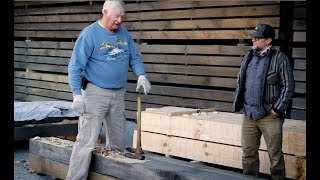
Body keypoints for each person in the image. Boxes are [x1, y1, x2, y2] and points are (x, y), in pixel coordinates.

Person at [66, 0, 151, 179]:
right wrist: (76, 95)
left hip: (118, 94)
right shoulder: (90, 34)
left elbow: (134, 57)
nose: (120, 20)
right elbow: (75, 66)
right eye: (116, 16)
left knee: (118, 144)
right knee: (86, 142)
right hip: (95, 93)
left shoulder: (124, 33)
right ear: (105, 12)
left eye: (122, 17)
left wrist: (141, 75)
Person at [233, 24, 294, 180]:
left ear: (268, 40)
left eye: (257, 37)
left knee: (275, 156)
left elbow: (288, 86)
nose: (253, 40)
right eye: (253, 37)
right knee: (248, 154)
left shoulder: (280, 59)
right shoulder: (249, 57)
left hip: (270, 116)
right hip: (249, 115)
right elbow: (241, 81)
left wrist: (277, 110)